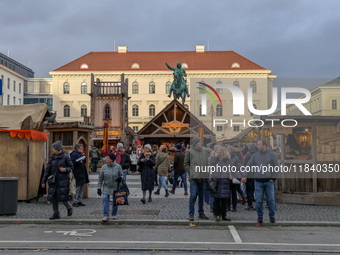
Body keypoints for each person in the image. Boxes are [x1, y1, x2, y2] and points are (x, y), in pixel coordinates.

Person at [241, 139, 279, 224]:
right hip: (258, 180)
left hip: (269, 181)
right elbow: (248, 165)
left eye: (259, 145)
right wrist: (244, 175)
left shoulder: (271, 155)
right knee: (258, 199)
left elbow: (276, 166)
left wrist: (273, 177)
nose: (257, 147)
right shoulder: (255, 155)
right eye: (258, 145)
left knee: (271, 199)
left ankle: (272, 216)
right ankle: (260, 216)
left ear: (264, 145)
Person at [41, 140, 74, 220]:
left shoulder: (65, 157)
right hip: (53, 181)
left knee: (63, 197)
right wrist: (43, 181)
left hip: (62, 180)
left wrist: (65, 169)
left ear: (57, 149)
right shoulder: (52, 158)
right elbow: (47, 171)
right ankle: (56, 213)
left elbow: (71, 167)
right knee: (54, 198)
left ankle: (69, 207)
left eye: (53, 148)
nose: (51, 150)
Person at [184, 137, 209, 221]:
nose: (201, 143)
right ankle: (191, 214)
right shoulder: (190, 152)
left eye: (201, 142)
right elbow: (186, 163)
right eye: (199, 142)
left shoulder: (204, 151)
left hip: (202, 177)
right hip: (194, 178)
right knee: (193, 195)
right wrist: (191, 172)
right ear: (195, 144)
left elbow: (206, 163)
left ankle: (201, 213)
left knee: (201, 196)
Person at [97, 153, 123, 222]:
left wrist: (120, 178)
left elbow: (121, 175)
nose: (106, 159)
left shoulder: (118, 167)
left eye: (108, 158)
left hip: (115, 186)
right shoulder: (104, 167)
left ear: (112, 159)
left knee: (115, 201)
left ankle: (114, 213)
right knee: (105, 198)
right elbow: (100, 178)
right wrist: (99, 188)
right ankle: (106, 215)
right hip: (107, 186)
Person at [210, 146, 232, 221]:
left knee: (223, 199)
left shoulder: (227, 159)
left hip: (224, 180)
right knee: (216, 199)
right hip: (216, 180)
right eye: (217, 150)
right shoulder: (215, 158)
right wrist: (215, 158)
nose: (217, 151)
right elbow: (211, 166)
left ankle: (223, 215)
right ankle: (217, 214)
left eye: (219, 150)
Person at [243, 144, 258, 210]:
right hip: (257, 174)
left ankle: (250, 204)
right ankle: (257, 204)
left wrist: (244, 175)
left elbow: (245, 165)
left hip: (249, 175)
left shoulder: (248, 155)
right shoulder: (258, 155)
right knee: (257, 190)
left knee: (249, 190)